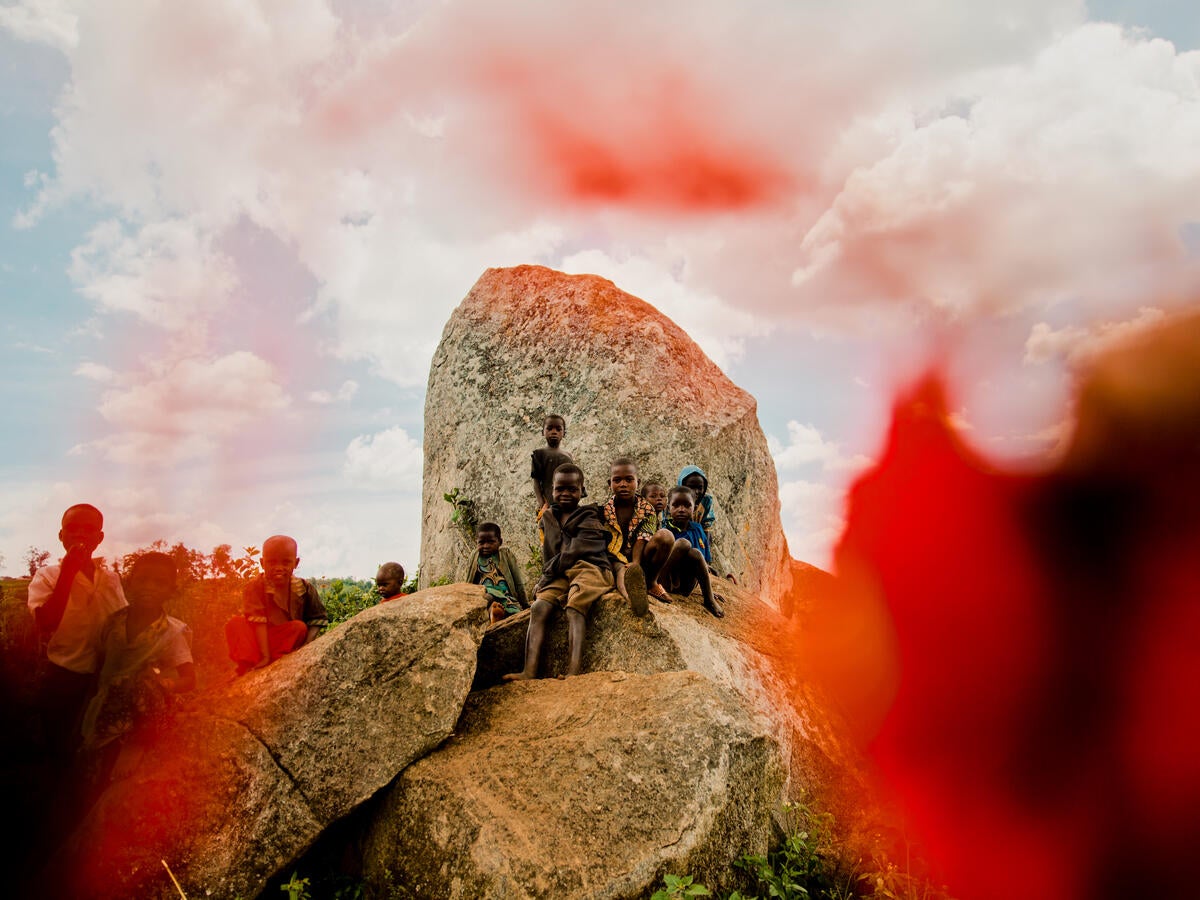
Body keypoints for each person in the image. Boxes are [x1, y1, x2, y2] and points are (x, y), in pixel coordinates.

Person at [79, 552, 194, 783]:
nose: (149, 587)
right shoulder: (112, 623)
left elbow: (190, 679)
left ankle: (137, 743)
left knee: (144, 681)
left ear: (171, 590)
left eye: (159, 583)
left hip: (144, 708)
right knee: (90, 774)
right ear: (130, 582)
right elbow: (100, 666)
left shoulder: (172, 632)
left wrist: (166, 684)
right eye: (142, 580)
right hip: (107, 705)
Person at [27, 504, 127, 759]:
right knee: (62, 746)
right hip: (64, 676)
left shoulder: (111, 579)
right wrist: (69, 573)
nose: (80, 535)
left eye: (89, 530)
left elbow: (122, 622)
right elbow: (46, 623)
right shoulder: (47, 576)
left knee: (97, 744)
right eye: (73, 529)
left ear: (99, 538)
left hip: (105, 677)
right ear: (61, 536)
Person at [504, 465, 613, 680]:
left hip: (591, 567)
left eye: (572, 489)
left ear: (582, 491)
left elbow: (574, 552)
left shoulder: (589, 516)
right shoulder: (549, 517)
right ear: (551, 490)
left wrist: (546, 575)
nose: (565, 494)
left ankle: (574, 671)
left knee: (575, 605)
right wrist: (546, 579)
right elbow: (550, 553)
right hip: (562, 571)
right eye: (559, 489)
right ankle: (529, 671)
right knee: (539, 607)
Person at [223, 535, 328, 675]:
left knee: (299, 627)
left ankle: (276, 658)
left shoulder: (304, 588)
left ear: (296, 563)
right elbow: (258, 622)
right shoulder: (255, 587)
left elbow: (317, 618)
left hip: (284, 641)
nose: (279, 568)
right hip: (257, 642)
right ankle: (248, 663)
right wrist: (265, 656)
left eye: (285, 563)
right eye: (272, 562)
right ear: (262, 563)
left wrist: (306, 648)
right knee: (235, 623)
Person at [642, 486, 724, 618]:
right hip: (665, 580)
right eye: (676, 505)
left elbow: (704, 560)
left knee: (695, 553)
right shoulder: (665, 529)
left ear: (694, 507)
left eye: (687, 506)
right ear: (668, 508)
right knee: (683, 544)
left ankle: (708, 599)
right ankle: (661, 585)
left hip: (687, 585)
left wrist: (707, 588)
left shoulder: (698, 529)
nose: (681, 509)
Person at [602, 457, 657, 616]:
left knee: (664, 538)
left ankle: (646, 582)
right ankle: (632, 598)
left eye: (629, 479)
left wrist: (635, 564)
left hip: (641, 556)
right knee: (620, 570)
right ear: (609, 483)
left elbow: (643, 536)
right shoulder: (606, 510)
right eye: (617, 480)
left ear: (638, 482)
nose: (623, 484)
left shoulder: (647, 509)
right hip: (616, 557)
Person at [461, 522, 529, 624]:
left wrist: (525, 603)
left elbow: (518, 580)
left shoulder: (505, 555)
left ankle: (496, 613)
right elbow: (469, 581)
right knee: (486, 600)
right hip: (485, 593)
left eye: (491, 542)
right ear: (476, 542)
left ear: (500, 541)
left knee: (508, 607)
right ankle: (493, 613)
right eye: (481, 543)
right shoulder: (475, 556)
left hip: (505, 596)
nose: (486, 546)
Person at [530, 414, 575, 513]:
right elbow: (536, 483)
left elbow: (573, 482)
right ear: (543, 432)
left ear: (564, 433)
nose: (554, 432)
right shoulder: (539, 454)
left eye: (558, 429)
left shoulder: (568, 456)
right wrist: (542, 504)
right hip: (548, 505)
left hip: (567, 503)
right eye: (549, 429)